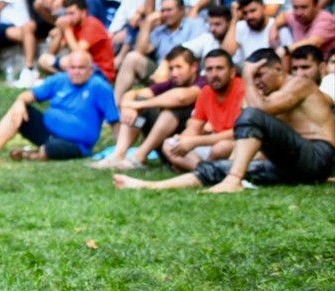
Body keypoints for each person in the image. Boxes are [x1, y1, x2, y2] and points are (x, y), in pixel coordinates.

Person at [115, 49, 334, 192]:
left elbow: (259, 112)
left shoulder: (299, 85)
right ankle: (149, 185)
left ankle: (234, 180)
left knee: (251, 117)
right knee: (220, 167)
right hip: (295, 165)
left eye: (261, 75)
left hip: (317, 156)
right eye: (254, 76)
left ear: (279, 69)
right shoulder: (268, 98)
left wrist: (247, 75)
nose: (256, 81)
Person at [0, 50, 119, 165]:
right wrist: (20, 103)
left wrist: (120, 151)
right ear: (67, 68)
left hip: (78, 144)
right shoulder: (59, 80)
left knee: (50, 149)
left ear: (90, 70)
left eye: (81, 68)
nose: (76, 72)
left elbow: (114, 120)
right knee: (18, 109)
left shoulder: (100, 88)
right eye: (73, 67)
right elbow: (28, 95)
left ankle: (30, 155)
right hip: (48, 133)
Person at [92, 46, 203, 170]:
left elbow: (182, 97)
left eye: (179, 67)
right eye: (171, 68)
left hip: (184, 146)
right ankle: (118, 155)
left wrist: (138, 105)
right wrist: (128, 105)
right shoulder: (171, 83)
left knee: (172, 109)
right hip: (164, 143)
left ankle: (139, 157)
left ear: (193, 67)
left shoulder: (203, 82)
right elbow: (133, 94)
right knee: (138, 109)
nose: (174, 73)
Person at [161, 48, 244, 172]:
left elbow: (238, 132)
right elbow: (194, 128)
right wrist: (182, 140)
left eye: (219, 68)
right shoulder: (205, 92)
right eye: (209, 70)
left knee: (220, 148)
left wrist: (195, 141)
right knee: (169, 144)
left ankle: (200, 170)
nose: (214, 74)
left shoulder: (243, 90)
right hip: (212, 141)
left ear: (232, 72)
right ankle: (204, 170)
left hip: (238, 143)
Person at [36, 0, 115, 82]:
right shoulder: (73, 26)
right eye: (67, 14)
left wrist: (66, 30)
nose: (68, 17)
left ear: (83, 13)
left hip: (101, 71)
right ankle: (65, 81)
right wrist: (60, 32)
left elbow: (79, 52)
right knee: (44, 59)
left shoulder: (92, 24)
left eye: (72, 13)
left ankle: (63, 81)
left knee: (68, 61)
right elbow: (53, 53)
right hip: (81, 67)